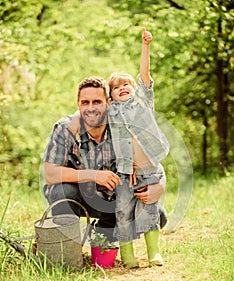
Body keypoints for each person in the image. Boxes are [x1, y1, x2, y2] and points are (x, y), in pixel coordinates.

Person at [43, 75, 167, 266]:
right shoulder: (65, 128)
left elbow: (151, 161)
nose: (91, 107)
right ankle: (67, 253)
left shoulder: (122, 125)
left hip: (115, 201)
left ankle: (103, 231)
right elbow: (50, 174)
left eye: (97, 101)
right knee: (61, 191)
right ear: (78, 104)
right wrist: (93, 175)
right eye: (85, 102)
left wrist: (160, 186)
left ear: (109, 103)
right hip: (81, 197)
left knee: (158, 215)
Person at [107, 28, 169, 267]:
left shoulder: (142, 102)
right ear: (111, 96)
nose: (123, 87)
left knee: (148, 212)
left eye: (127, 85)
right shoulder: (111, 111)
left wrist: (145, 46)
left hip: (149, 168)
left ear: (135, 89)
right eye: (117, 87)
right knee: (123, 212)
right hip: (126, 171)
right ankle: (128, 255)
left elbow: (144, 73)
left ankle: (153, 252)